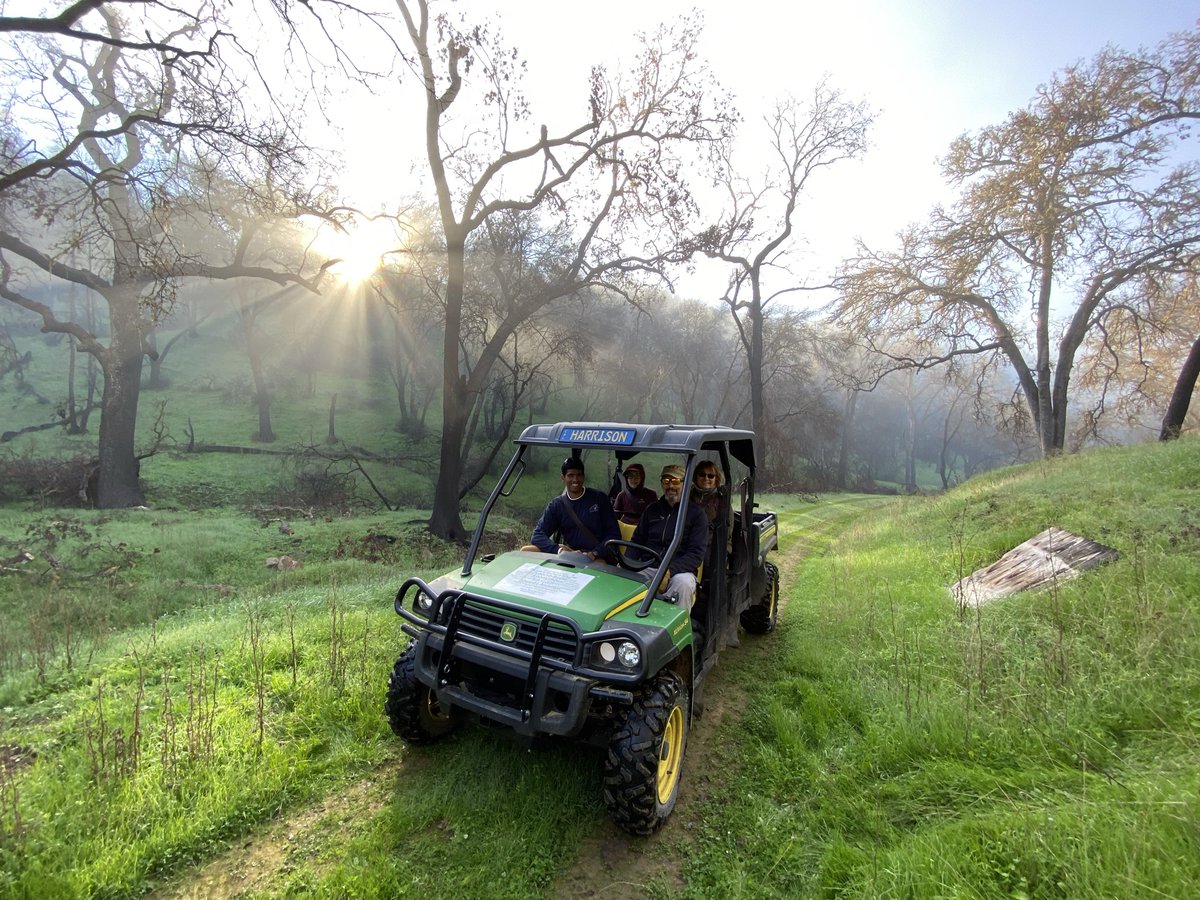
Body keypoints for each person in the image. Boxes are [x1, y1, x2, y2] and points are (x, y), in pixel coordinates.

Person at [631, 464, 709, 610]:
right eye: (666, 481)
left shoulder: (696, 514)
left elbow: (696, 554)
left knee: (683, 585)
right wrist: (629, 565)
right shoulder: (651, 510)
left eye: (676, 481)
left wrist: (668, 571)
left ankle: (676, 631)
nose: (671, 485)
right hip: (649, 566)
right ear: (661, 483)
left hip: (679, 571)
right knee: (627, 580)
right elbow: (637, 540)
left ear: (685, 484)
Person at [529, 457, 621, 559]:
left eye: (579, 475)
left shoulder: (599, 498)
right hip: (571, 555)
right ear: (563, 478)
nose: (575, 480)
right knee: (526, 550)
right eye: (570, 475)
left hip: (597, 556)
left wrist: (595, 553)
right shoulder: (557, 505)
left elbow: (614, 534)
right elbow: (537, 535)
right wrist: (559, 550)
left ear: (584, 477)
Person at [691, 461, 733, 554]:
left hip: (714, 546)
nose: (706, 478)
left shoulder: (722, 499)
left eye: (710, 476)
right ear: (695, 477)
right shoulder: (686, 496)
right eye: (702, 474)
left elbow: (727, 531)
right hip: (688, 543)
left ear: (716, 479)